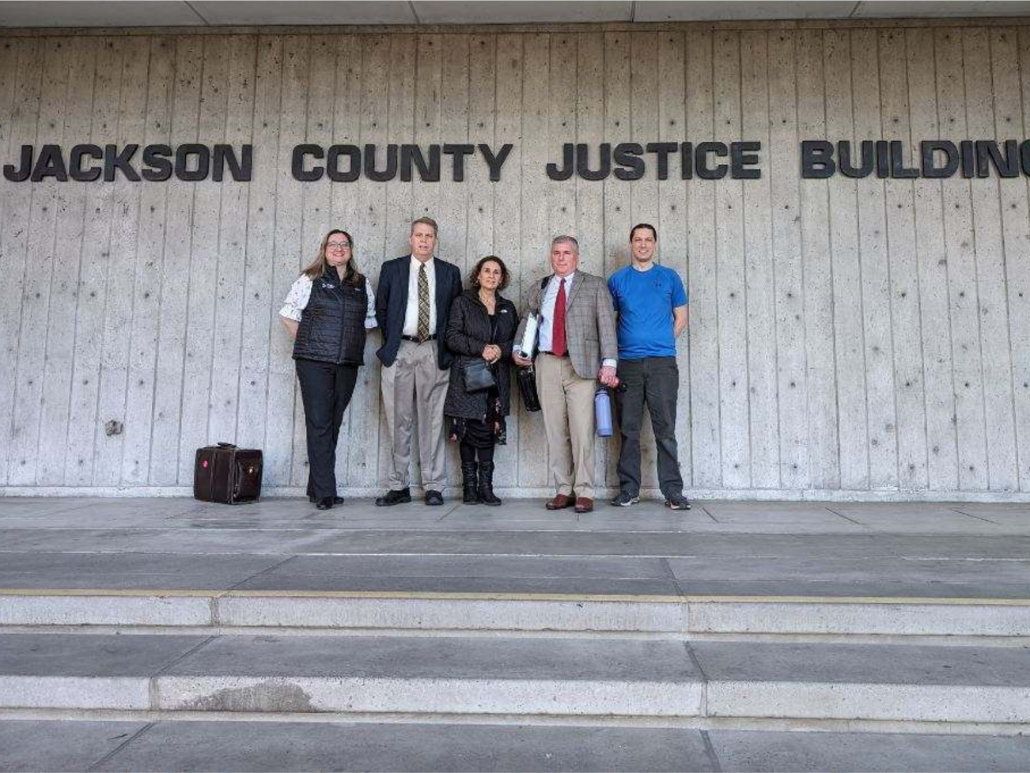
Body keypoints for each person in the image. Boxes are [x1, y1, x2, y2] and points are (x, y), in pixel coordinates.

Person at [513, 236, 618, 513]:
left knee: (582, 430)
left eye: (566, 253)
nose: (561, 258)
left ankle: (584, 491)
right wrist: (518, 348)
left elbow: (607, 326)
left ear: (577, 257)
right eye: (556, 253)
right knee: (555, 430)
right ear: (551, 256)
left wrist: (609, 363)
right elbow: (528, 320)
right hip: (547, 364)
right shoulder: (542, 287)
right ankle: (563, 489)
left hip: (581, 366)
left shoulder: (594, 285)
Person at [279, 229, 377, 510]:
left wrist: (345, 345)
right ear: (324, 249)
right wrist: (311, 341)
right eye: (333, 244)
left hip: (346, 363)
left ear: (351, 250)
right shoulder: (310, 279)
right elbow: (288, 315)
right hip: (314, 362)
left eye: (343, 244)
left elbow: (368, 324)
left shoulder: (361, 284)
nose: (338, 248)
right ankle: (326, 492)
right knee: (320, 422)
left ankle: (316, 486)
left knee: (332, 422)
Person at [375, 217, 463, 506]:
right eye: (418, 235)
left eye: (429, 236)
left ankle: (434, 486)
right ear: (410, 239)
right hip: (400, 348)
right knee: (398, 420)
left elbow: (455, 313)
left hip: (434, 350)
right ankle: (398, 486)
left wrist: (443, 348)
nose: (423, 240)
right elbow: (382, 308)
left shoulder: (450, 272)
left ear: (435, 240)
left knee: (433, 420)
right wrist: (394, 342)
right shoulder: (392, 269)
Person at [607, 223, 691, 510]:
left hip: (662, 364)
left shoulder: (669, 278)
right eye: (637, 240)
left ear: (655, 244)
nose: (643, 244)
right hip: (627, 364)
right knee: (629, 430)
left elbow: (681, 317)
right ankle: (629, 490)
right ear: (631, 244)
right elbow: (609, 323)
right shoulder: (617, 280)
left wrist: (661, 341)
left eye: (648, 240)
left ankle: (673, 493)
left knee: (665, 429)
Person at [443, 256, 518, 506]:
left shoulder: (508, 307)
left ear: (502, 278)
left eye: (497, 272)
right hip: (468, 376)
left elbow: (515, 342)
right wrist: (481, 348)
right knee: (468, 431)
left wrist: (501, 350)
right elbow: (452, 337)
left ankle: (486, 487)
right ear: (478, 275)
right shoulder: (463, 302)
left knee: (488, 430)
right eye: (487, 271)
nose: (491, 275)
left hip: (496, 380)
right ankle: (469, 488)